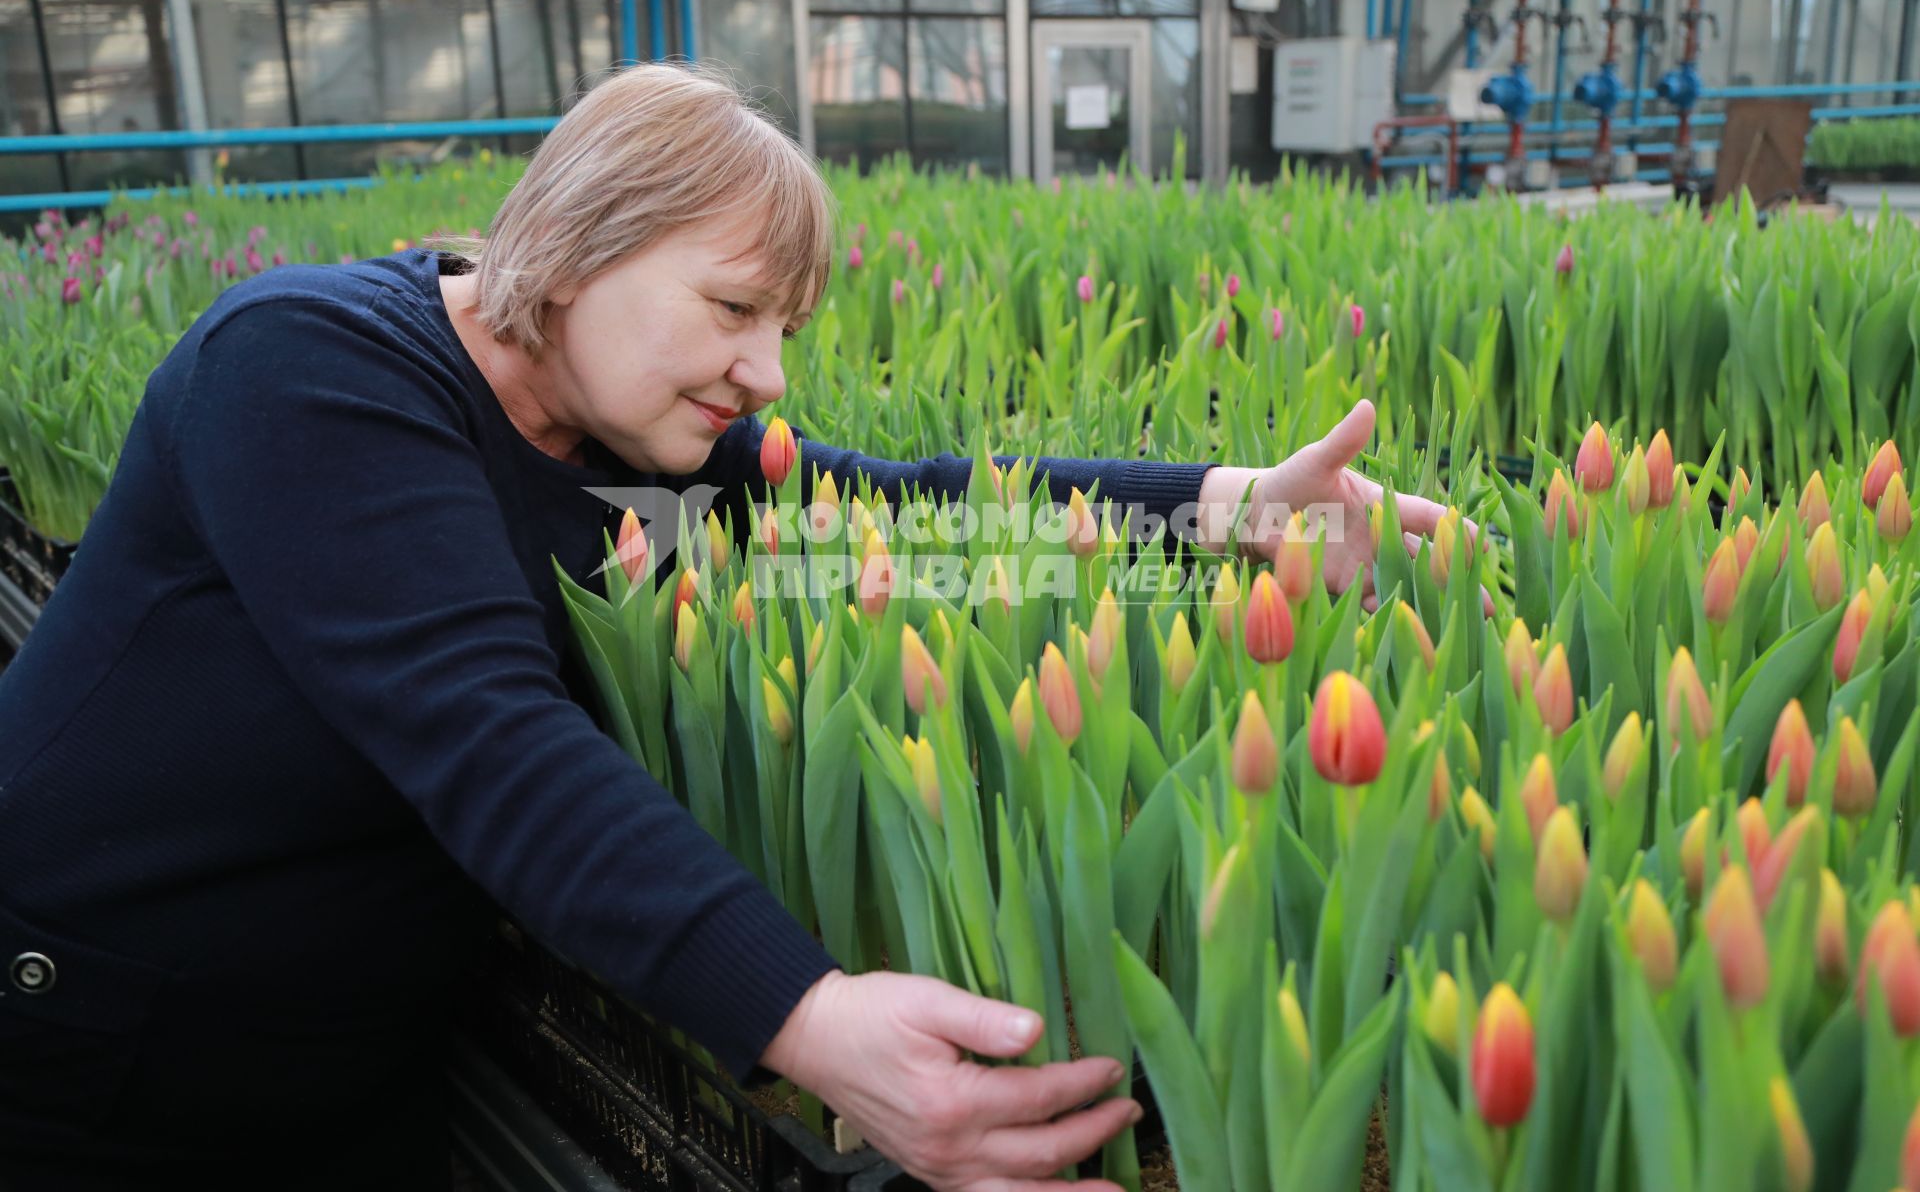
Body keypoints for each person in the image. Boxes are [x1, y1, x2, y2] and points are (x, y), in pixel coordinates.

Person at [0, 62, 1452, 1191]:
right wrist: (813, 1019)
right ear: (575, 248)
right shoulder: (307, 373)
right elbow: (497, 743)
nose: (764, 370)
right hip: (103, 1035)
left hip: (355, 1038)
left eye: (785, 327)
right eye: (735, 307)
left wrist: (1223, 501)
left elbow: (900, 506)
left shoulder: (643, 450)